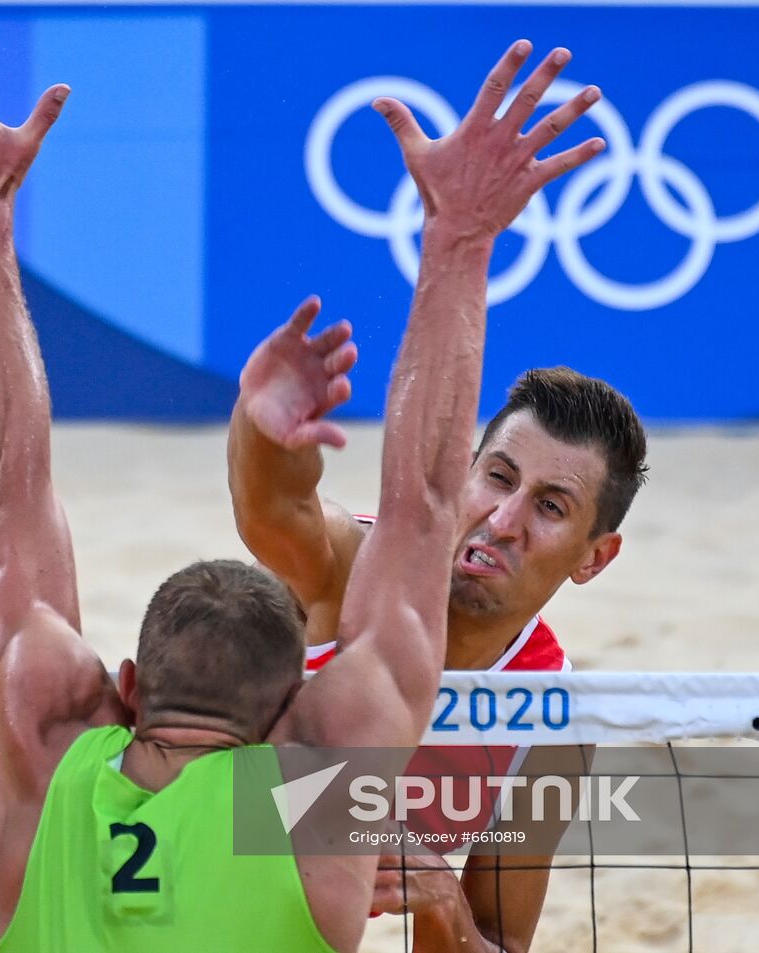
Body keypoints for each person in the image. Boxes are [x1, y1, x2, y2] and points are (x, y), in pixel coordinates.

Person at [0, 11, 603, 950]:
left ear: (127, 686)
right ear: (289, 710)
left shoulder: (48, 748)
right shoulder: (316, 793)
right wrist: (460, 237)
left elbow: (8, 477)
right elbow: (423, 505)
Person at [228, 53, 648, 953]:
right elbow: (276, 514)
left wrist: (444, 906)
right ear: (462, 471)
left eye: (548, 505)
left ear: (591, 556)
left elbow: (495, 943)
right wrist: (261, 430)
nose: (501, 519)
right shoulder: (356, 569)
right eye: (497, 477)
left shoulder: (551, 727)